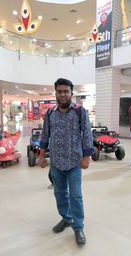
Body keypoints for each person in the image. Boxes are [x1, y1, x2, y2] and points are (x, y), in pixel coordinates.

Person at [40, 78, 93, 245]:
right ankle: (67, 218)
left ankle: (78, 227)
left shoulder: (79, 111)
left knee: (76, 196)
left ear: (71, 93)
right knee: (59, 194)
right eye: (60, 91)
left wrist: (86, 157)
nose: (63, 94)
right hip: (56, 162)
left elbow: (87, 133)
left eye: (66, 91)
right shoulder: (49, 113)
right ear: (55, 93)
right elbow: (44, 134)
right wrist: (42, 155)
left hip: (74, 162)